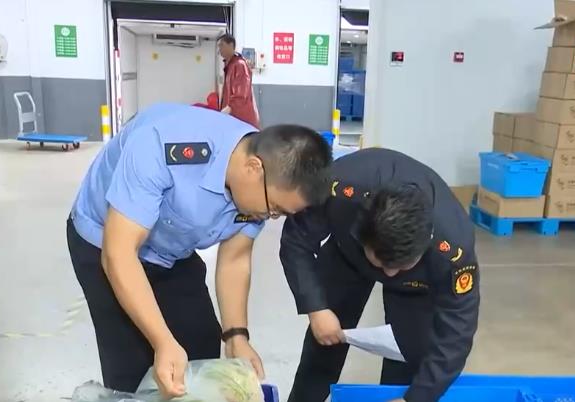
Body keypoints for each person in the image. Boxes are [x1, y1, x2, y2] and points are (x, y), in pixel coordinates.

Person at [67, 103, 332, 398]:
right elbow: (120, 255)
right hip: (105, 243)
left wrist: (236, 335)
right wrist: (162, 341)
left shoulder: (263, 182)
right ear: (253, 168)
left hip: (173, 248)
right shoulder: (160, 144)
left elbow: (235, 259)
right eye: (275, 209)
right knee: (131, 366)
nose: (270, 217)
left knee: (201, 345)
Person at [280, 148, 480, 402]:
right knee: (325, 340)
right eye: (381, 262)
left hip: (416, 285)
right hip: (347, 256)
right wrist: (315, 307)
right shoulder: (337, 187)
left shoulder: (453, 249)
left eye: (399, 266)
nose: (388, 273)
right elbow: (296, 241)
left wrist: (415, 399)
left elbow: (456, 334)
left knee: (410, 350)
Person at [217, 33, 259, 128]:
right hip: (234, 119)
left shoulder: (239, 65)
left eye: (221, 45)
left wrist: (228, 108)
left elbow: (241, 93)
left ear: (231, 45)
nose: (219, 49)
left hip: (242, 120)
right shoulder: (230, 66)